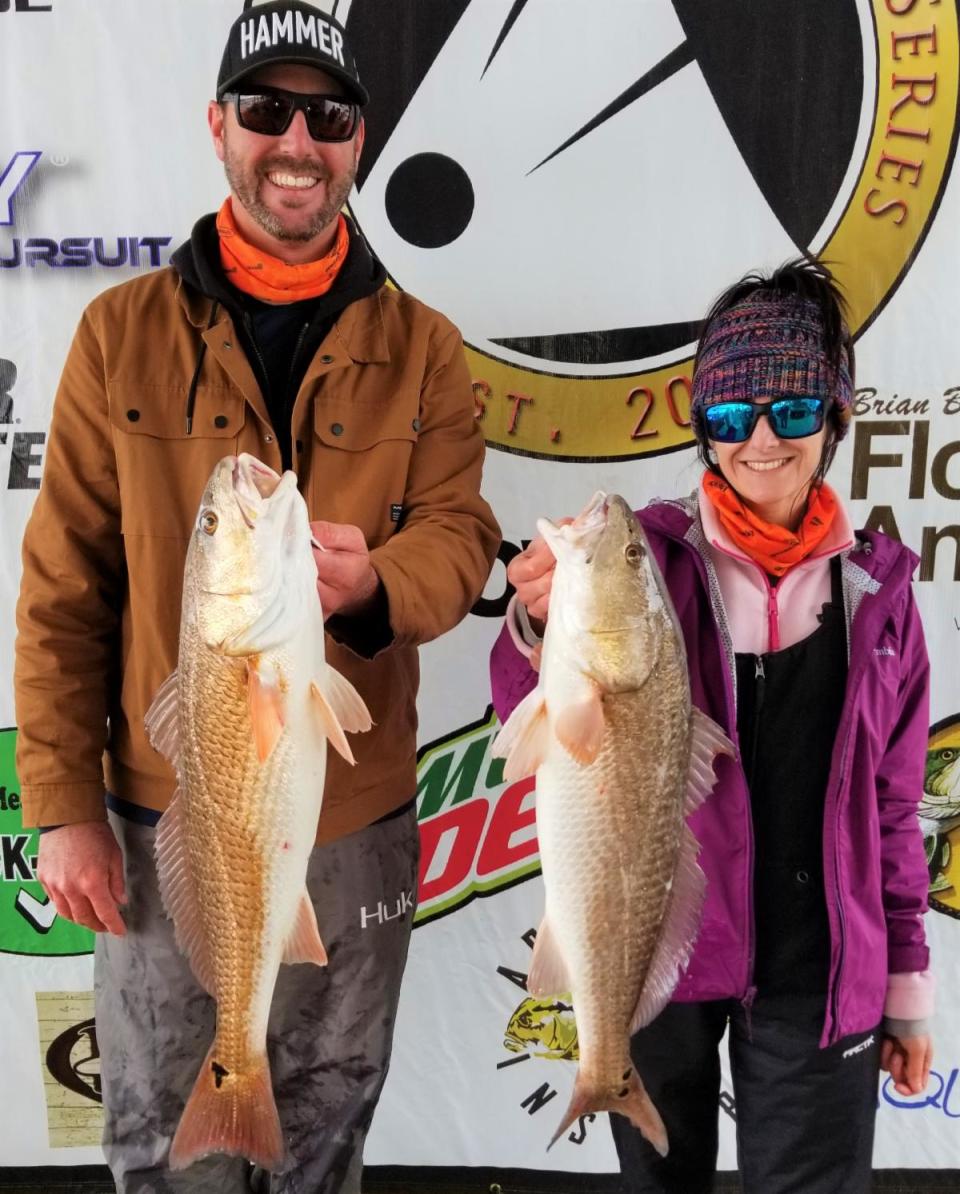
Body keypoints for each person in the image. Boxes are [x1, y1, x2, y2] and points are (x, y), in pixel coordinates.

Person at [14, 3, 500, 1191]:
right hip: (157, 816)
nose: (297, 142)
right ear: (219, 128)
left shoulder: (427, 345)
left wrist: (378, 582)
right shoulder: (116, 333)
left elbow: (461, 531)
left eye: (325, 116)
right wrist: (63, 801)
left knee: (328, 1128)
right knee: (158, 1128)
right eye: (267, 110)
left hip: (357, 822)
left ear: (359, 139)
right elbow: (62, 585)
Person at [489, 260, 933, 1193]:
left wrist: (907, 989)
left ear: (836, 418)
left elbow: (894, 811)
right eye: (730, 418)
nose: (760, 440)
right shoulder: (646, 555)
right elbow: (519, 693)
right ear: (704, 431)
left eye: (793, 411)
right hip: (655, 946)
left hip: (821, 966)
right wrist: (536, 620)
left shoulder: (883, 591)